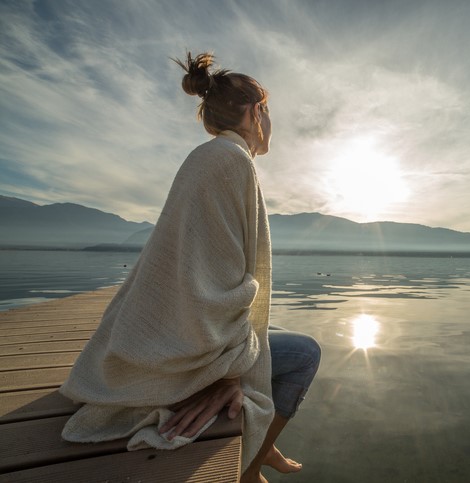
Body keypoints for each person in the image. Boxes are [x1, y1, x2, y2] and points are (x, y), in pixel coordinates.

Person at [59, 52, 321, 483]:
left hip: (163, 335)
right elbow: (211, 294)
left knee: (268, 336)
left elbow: (204, 279)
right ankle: (252, 468)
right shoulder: (231, 163)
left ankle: (265, 445)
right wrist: (224, 374)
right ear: (258, 112)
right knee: (306, 353)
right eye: (269, 112)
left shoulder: (210, 156)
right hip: (176, 353)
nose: (272, 123)